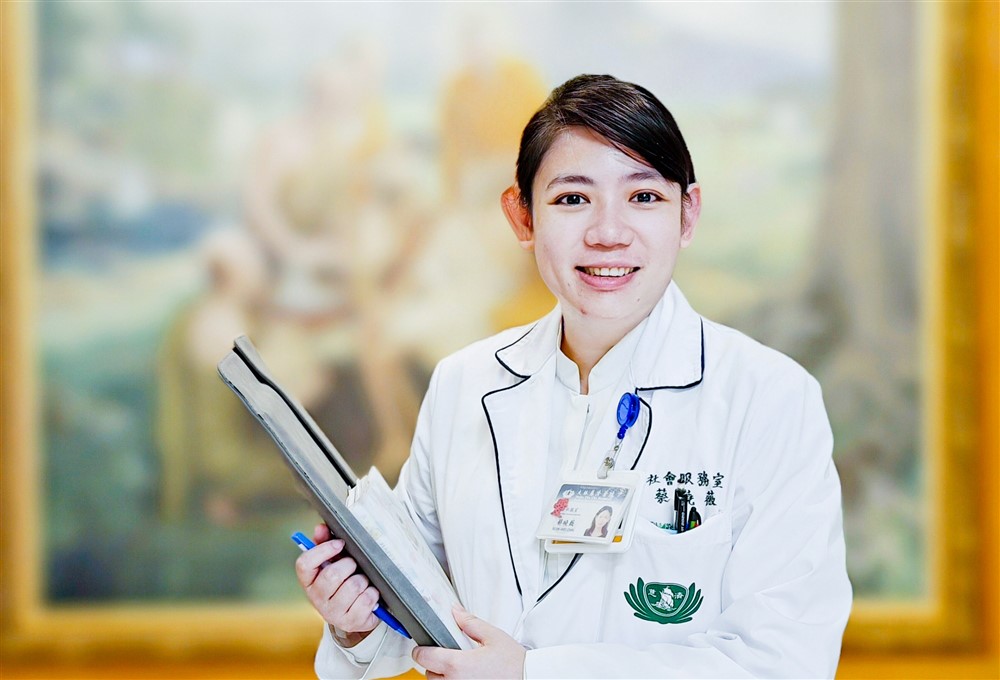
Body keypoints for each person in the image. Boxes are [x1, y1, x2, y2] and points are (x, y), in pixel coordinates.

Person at [295, 74, 852, 679]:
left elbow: (785, 662)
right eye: (572, 199)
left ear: (687, 215)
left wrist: (533, 673)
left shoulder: (769, 398)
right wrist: (355, 621)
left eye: (644, 197)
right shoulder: (464, 387)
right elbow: (419, 609)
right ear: (522, 216)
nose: (608, 233)